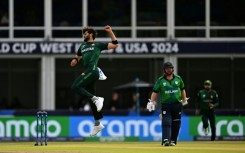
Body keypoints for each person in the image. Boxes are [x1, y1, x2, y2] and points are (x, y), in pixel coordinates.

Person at [70, 25, 118, 136]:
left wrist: (110, 32)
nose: (84, 35)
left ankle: (96, 99)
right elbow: (77, 58)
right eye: (83, 33)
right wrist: (74, 61)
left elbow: (115, 45)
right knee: (92, 101)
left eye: (86, 33)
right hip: (88, 71)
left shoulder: (98, 45)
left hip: (92, 70)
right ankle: (97, 124)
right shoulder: (82, 46)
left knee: (75, 87)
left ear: (91, 34)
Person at [147, 62, 189, 146]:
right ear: (164, 70)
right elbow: (155, 91)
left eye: (170, 68)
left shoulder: (178, 79)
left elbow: (182, 89)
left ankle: (173, 141)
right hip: (166, 104)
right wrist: (151, 102)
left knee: (176, 123)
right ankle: (166, 139)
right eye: (167, 68)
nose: (169, 70)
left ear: (172, 69)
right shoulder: (160, 80)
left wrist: (184, 99)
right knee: (166, 121)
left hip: (177, 104)